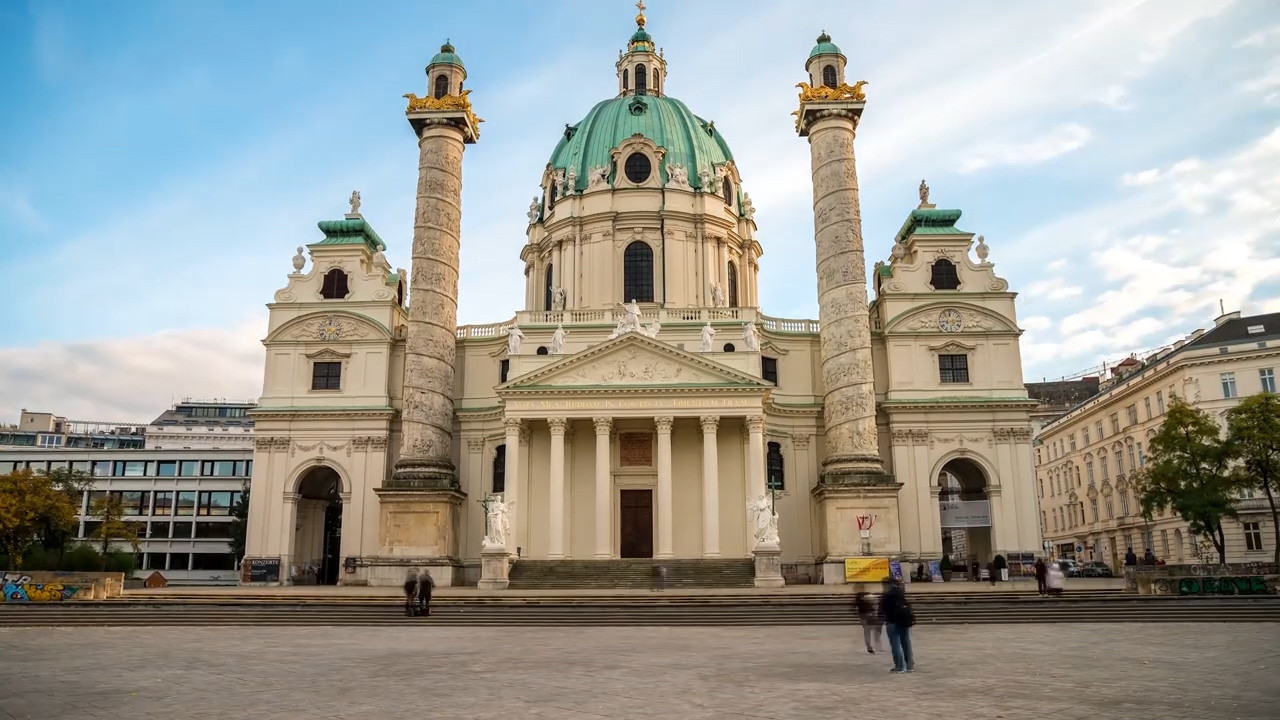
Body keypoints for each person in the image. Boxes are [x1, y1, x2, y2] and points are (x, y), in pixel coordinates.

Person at [878, 577, 914, 673]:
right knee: (906, 643)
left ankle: (900, 667)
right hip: (904, 621)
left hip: (892, 621)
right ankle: (910, 666)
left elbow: (882, 609)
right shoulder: (901, 593)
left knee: (896, 645)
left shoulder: (886, 596)